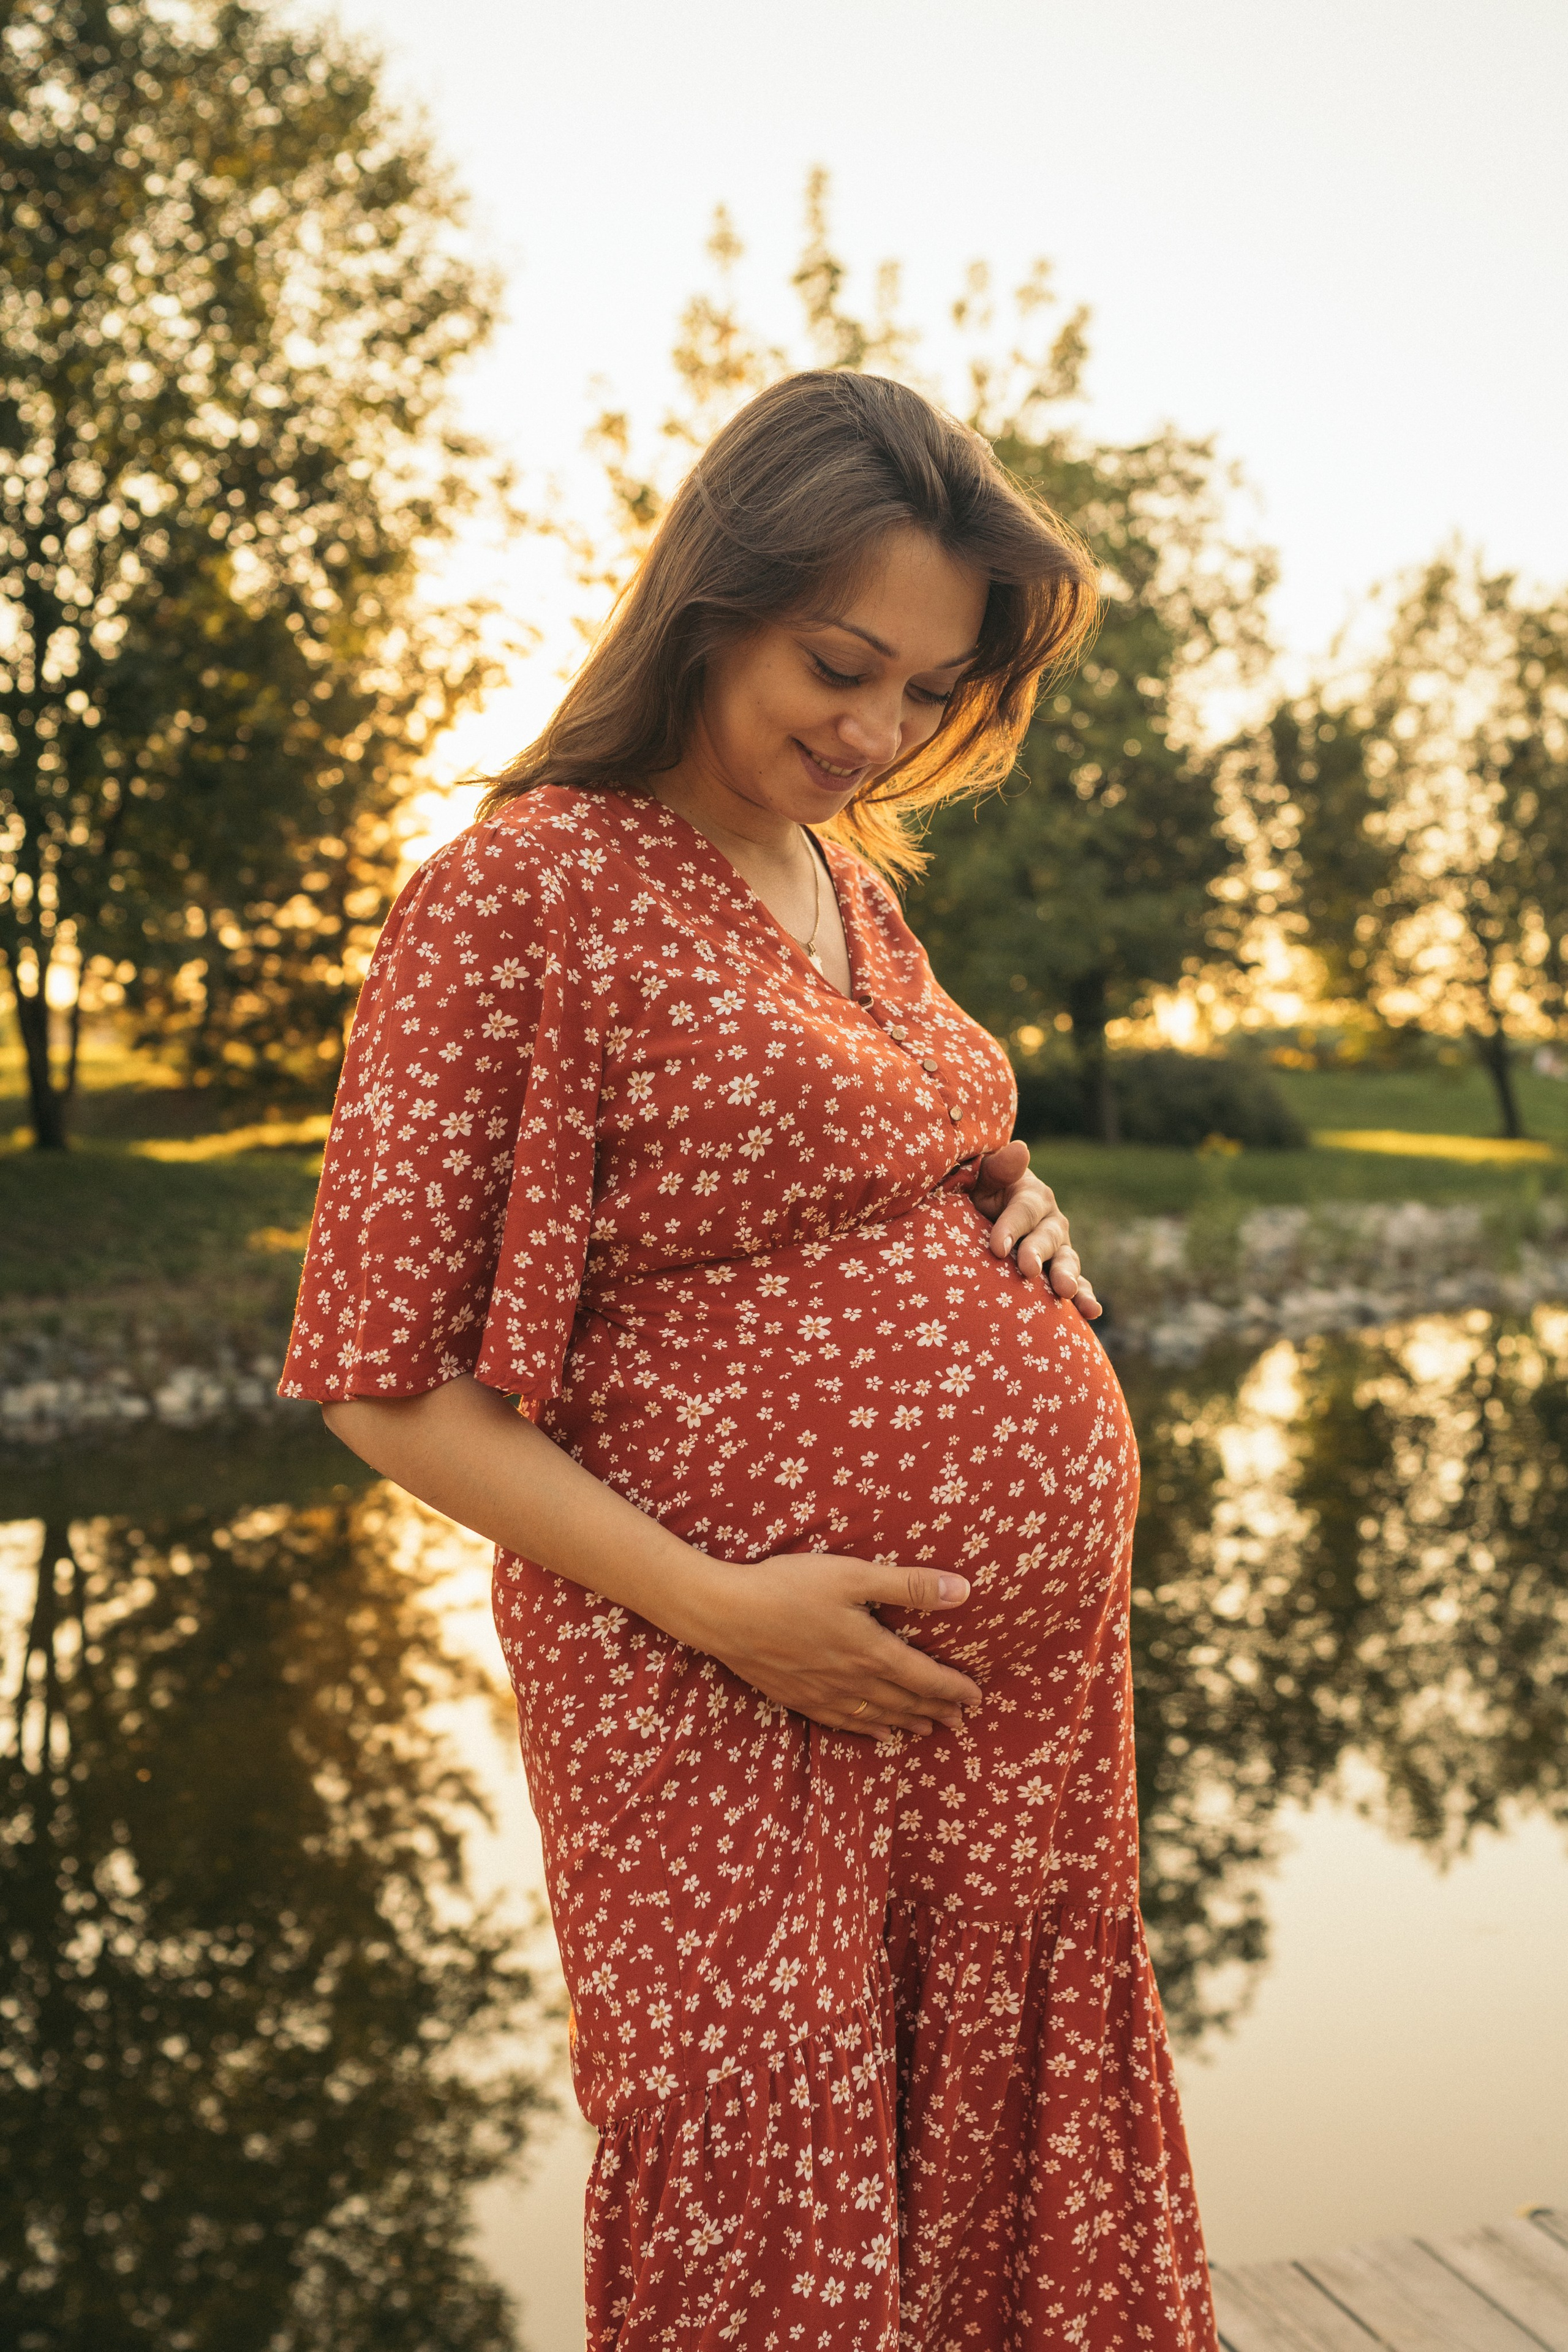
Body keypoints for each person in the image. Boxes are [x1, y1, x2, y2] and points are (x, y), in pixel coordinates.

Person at [282, 370, 1217, 2350]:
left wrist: (1012, 1200)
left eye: (930, 691)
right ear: (713, 600)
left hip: (1012, 1739)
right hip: (717, 1689)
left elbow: (884, 1147)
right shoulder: (522, 889)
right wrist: (726, 1607)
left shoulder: (846, 881)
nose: (877, 731)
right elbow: (382, 1374)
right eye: (839, 665)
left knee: (983, 2188)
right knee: (757, 2158)